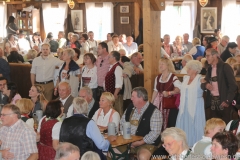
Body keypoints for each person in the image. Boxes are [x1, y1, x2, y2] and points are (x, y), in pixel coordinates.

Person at [120, 87, 162, 160]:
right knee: (111, 152)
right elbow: (122, 122)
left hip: (147, 143)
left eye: (133, 96)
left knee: (143, 157)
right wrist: (126, 139)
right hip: (128, 141)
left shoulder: (154, 112)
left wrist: (140, 142)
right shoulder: (130, 107)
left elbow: (155, 133)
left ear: (141, 98)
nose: (131, 99)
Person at [201, 48, 238, 124]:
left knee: (226, 126)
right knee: (214, 127)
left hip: (224, 102)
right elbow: (203, 83)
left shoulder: (225, 67)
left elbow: (233, 85)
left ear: (215, 55)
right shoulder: (210, 68)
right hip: (212, 103)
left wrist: (228, 100)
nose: (206, 58)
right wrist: (206, 84)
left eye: (208, 55)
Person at [176, 60, 206, 147]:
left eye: (189, 68)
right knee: (184, 124)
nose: (187, 70)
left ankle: (196, 146)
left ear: (195, 70)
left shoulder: (200, 79)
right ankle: (183, 145)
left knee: (195, 125)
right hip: (184, 106)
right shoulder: (185, 78)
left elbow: (209, 85)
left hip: (196, 105)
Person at [151, 58, 181, 130]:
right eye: (159, 64)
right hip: (158, 102)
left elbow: (180, 89)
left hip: (169, 104)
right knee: (158, 121)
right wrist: (151, 102)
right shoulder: (158, 77)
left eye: (162, 64)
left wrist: (170, 92)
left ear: (168, 65)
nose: (160, 66)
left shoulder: (173, 77)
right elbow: (155, 90)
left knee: (169, 122)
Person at [104, 51, 123, 115]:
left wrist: (115, 94)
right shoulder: (112, 67)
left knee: (117, 111)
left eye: (109, 57)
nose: (108, 58)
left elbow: (119, 83)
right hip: (110, 95)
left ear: (114, 58)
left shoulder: (117, 67)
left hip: (115, 95)